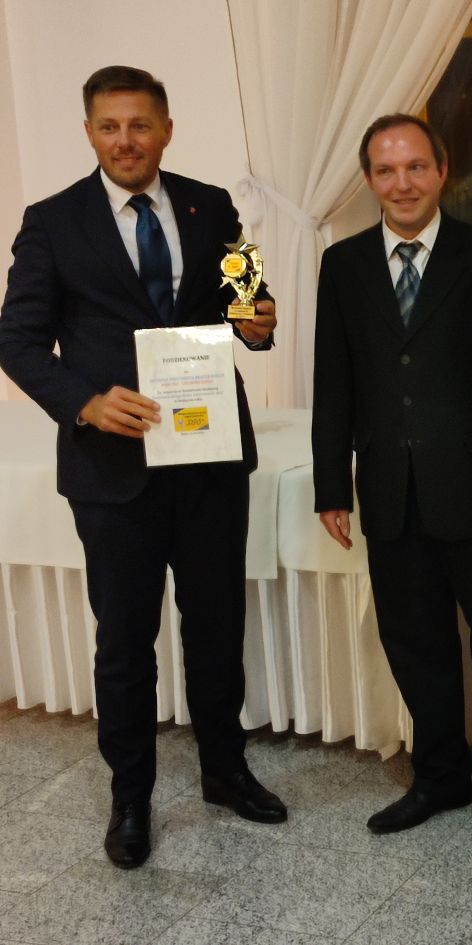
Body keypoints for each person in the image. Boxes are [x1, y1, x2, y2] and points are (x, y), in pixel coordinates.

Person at [0, 66, 286, 869]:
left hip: (207, 456)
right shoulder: (51, 222)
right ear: (89, 132)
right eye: (109, 126)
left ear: (166, 129)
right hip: (111, 466)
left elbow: (250, 307)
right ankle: (131, 796)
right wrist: (85, 402)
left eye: (139, 125)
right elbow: (17, 340)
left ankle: (225, 770)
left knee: (216, 624)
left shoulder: (211, 206)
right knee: (125, 640)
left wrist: (259, 322)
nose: (125, 140)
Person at [311, 114, 472, 845]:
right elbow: (333, 380)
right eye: (387, 170)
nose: (403, 183)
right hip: (391, 489)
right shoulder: (343, 264)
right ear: (368, 180)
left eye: (416, 166)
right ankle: (440, 775)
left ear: (442, 170)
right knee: (415, 643)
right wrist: (331, 484)